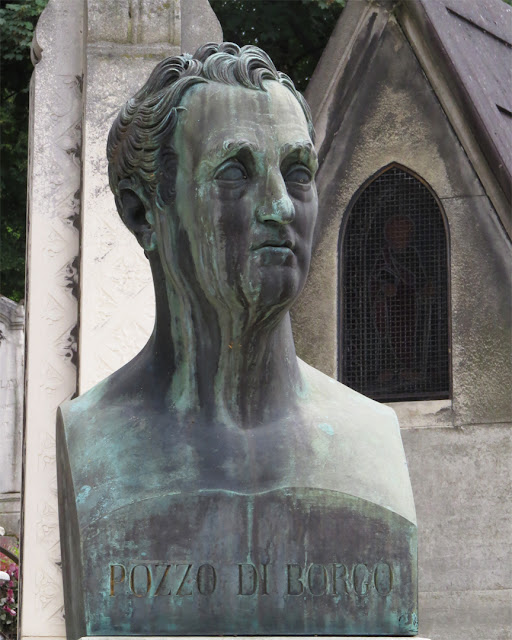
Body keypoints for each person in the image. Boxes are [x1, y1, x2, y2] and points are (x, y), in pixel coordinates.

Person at [57, 43, 417, 638]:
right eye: (235, 172)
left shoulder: (370, 440)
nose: (280, 205)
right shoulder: (94, 441)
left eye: (297, 172)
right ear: (144, 213)